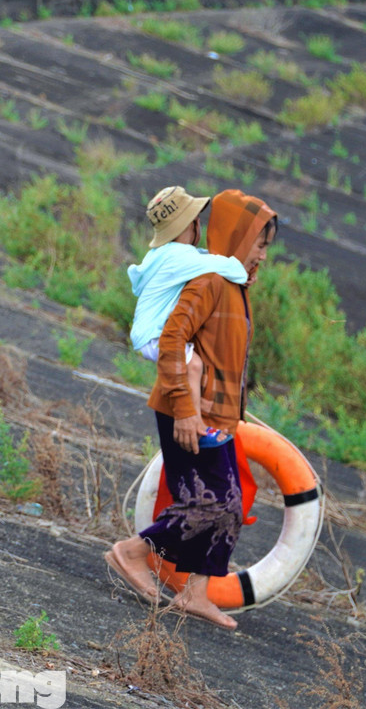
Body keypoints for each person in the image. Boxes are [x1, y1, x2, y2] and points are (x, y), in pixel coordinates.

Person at [105, 189, 278, 630]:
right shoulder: (209, 282)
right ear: (239, 238)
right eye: (259, 244)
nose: (263, 255)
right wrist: (185, 411)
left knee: (230, 505)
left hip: (217, 416)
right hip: (187, 412)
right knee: (207, 503)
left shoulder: (234, 285)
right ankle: (132, 552)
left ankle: (195, 594)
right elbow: (171, 341)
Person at [128, 186, 247, 422]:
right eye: (196, 219)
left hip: (144, 333)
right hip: (152, 336)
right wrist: (244, 270)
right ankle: (194, 421)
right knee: (194, 366)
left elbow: (198, 257)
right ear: (190, 225)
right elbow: (235, 271)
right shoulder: (178, 257)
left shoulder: (161, 254)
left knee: (191, 364)